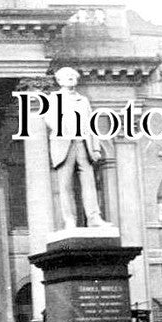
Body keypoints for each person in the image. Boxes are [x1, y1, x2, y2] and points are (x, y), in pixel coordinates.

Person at [46, 67, 110, 229]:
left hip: (83, 144)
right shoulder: (53, 98)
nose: (71, 79)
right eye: (67, 77)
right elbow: (50, 120)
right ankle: (69, 220)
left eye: (73, 77)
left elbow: (91, 125)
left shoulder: (83, 100)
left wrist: (95, 149)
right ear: (59, 81)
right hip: (64, 144)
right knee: (65, 186)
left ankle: (94, 218)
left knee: (89, 183)